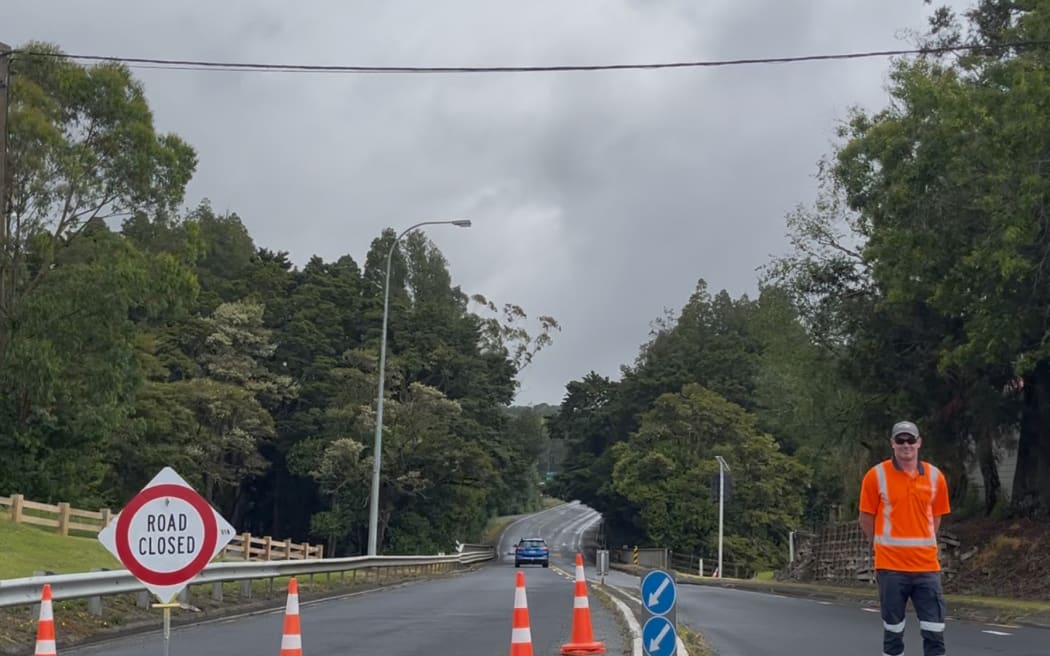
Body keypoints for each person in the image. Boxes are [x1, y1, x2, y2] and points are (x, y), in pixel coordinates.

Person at [859, 420, 951, 656]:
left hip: (927, 567)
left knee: (934, 631)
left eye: (911, 440)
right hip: (891, 567)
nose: (906, 445)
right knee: (893, 632)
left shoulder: (935, 477)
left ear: (919, 443)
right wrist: (880, 545)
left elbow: (936, 517)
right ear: (892, 444)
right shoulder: (875, 476)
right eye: (900, 440)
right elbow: (866, 518)